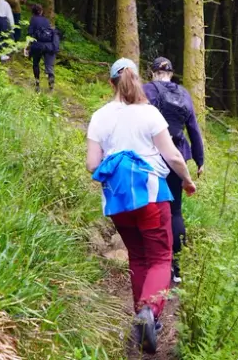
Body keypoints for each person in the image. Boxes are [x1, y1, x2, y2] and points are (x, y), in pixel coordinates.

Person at [86, 59, 197, 354]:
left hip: (118, 199)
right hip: (151, 195)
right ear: (137, 80)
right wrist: (186, 180)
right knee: (161, 257)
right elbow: (173, 156)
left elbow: (92, 164)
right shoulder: (150, 114)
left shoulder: (99, 116)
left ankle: (142, 317)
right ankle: (150, 312)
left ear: (111, 83)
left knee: (137, 257)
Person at [144, 57, 204, 284]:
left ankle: (154, 261)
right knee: (175, 210)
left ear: (153, 72)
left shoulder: (148, 90)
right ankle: (176, 267)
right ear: (171, 73)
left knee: (150, 206)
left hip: (151, 155)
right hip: (177, 157)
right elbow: (194, 129)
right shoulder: (184, 94)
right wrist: (199, 160)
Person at [26, 4, 57, 91]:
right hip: (48, 45)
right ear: (41, 11)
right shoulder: (46, 20)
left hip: (37, 45)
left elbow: (30, 34)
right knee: (49, 65)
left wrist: (27, 47)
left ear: (33, 12)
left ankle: (37, 84)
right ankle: (51, 83)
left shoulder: (33, 20)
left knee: (36, 63)